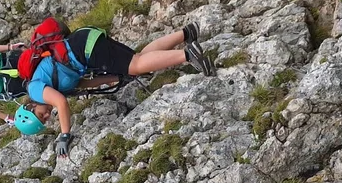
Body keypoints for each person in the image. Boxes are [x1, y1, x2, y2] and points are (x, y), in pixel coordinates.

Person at [28, 23, 215, 157]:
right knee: (138, 59)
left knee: (136, 65)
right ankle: (186, 33)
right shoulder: (49, 84)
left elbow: (61, 103)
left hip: (83, 49)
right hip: (84, 40)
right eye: (45, 120)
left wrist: (64, 135)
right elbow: (84, 84)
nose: (47, 116)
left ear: (31, 107)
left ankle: (189, 55)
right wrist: (117, 78)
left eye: (40, 115)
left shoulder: (34, 90)